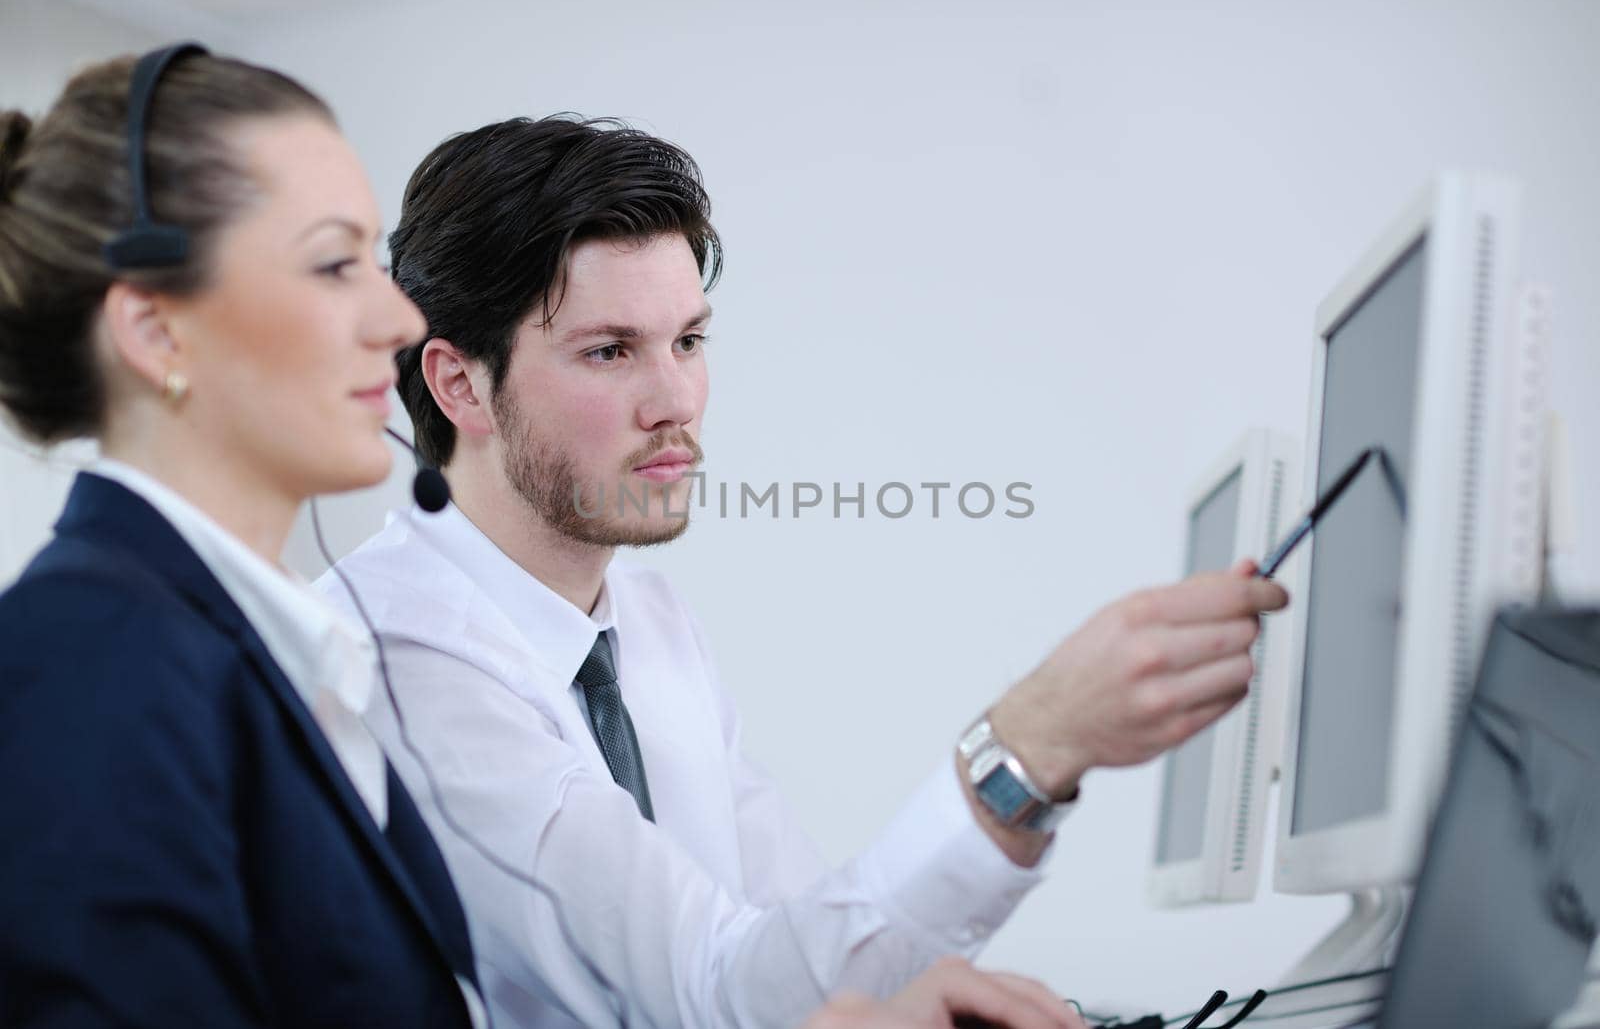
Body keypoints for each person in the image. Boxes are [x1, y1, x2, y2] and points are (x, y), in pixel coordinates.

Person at [321, 115, 1288, 1029]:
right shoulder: (394, 660)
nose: (675, 402)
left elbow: (798, 958)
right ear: (457, 383)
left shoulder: (649, 622)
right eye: (611, 351)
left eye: (689, 341)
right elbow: (715, 995)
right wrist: (1026, 748)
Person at [0, 45, 484, 1027]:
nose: (398, 317)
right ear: (155, 332)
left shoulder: (243, 650)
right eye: (335, 261)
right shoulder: (92, 662)